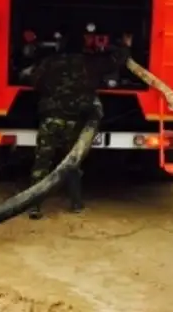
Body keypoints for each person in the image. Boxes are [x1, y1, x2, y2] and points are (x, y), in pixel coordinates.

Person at [21, 31, 131, 220]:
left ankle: (35, 206)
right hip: (75, 123)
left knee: (42, 163)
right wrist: (126, 44)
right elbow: (116, 60)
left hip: (50, 121)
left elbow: (32, 81)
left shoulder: (49, 62)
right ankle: (76, 204)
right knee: (72, 163)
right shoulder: (89, 63)